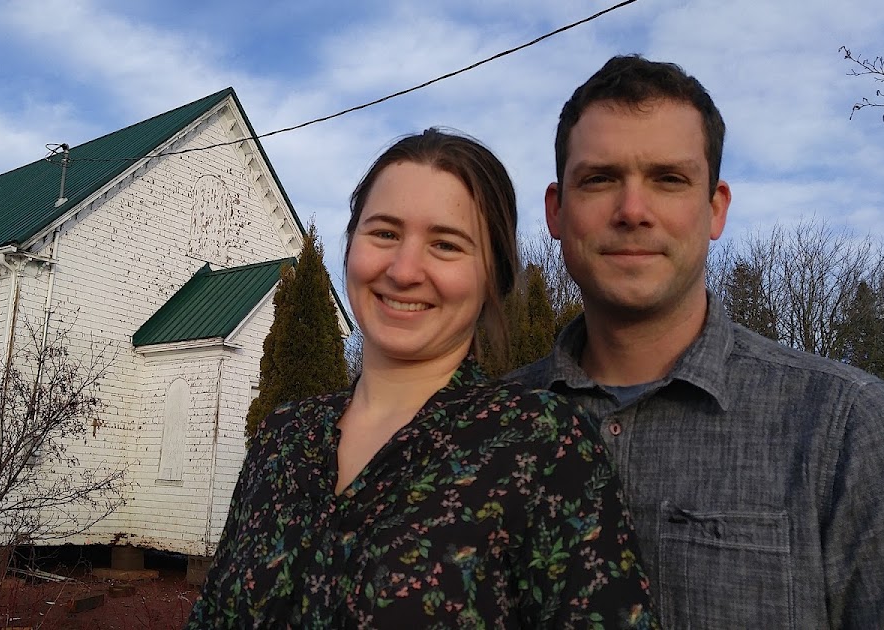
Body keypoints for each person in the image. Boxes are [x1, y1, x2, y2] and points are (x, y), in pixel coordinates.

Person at [187, 128, 658, 628]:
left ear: (491, 277)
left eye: (446, 244)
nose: (405, 269)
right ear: (351, 249)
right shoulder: (283, 438)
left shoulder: (540, 446)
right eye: (385, 233)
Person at [510, 54, 884, 628]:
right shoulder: (490, 427)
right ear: (556, 211)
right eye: (600, 178)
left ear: (715, 209)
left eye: (668, 179)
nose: (633, 211)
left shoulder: (846, 426)